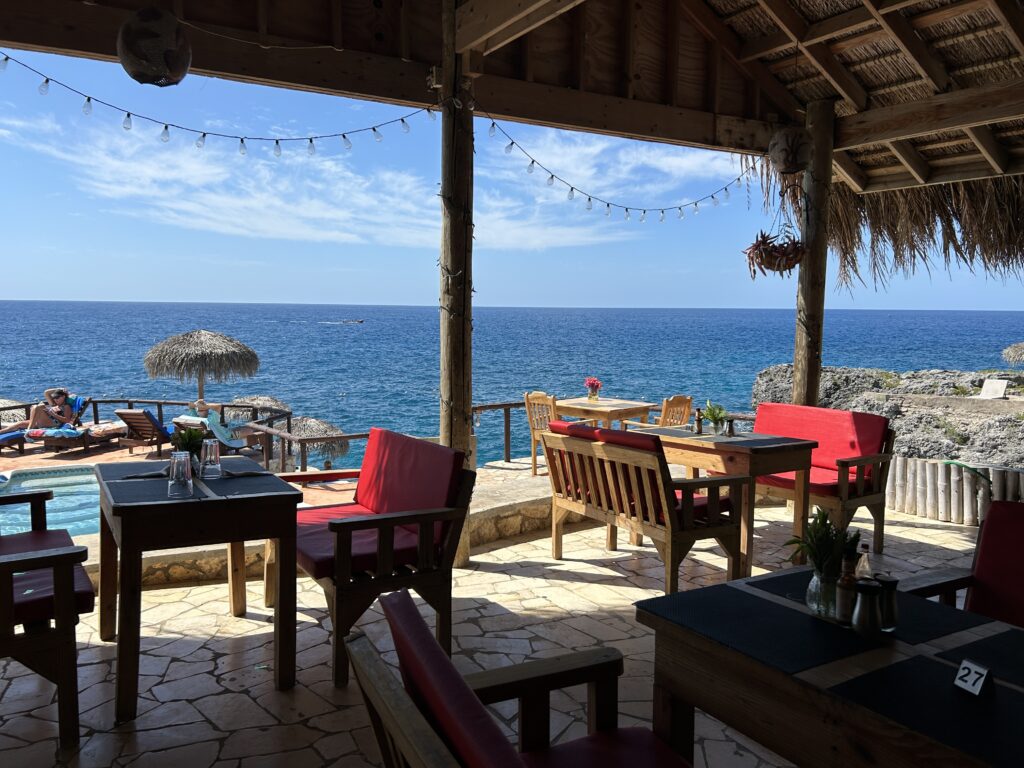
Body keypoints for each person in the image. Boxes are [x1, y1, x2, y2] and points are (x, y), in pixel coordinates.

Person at [0, 388, 77, 434]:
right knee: (20, 423)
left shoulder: (66, 407)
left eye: (58, 397)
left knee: (39, 407)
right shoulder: (54, 404)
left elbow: (67, 420)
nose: (55, 399)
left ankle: (29, 430)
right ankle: (1, 432)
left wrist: (53, 414)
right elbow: (46, 392)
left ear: (63, 397)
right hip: (43, 422)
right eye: (54, 398)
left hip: (54, 423)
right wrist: (60, 388)